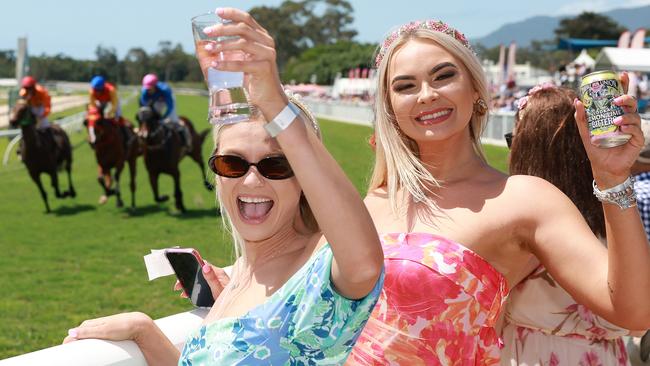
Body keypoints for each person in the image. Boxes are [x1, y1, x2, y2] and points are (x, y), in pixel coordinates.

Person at [63, 8, 384, 365]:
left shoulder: (322, 267)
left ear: (305, 178)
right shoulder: (235, 279)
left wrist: (277, 106)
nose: (250, 180)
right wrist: (144, 330)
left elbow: (365, 263)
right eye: (231, 163)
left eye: (275, 164)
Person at [344, 19, 650, 365]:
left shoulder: (523, 200)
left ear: (475, 88)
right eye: (405, 86)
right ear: (390, 106)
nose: (427, 95)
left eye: (444, 76)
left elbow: (635, 312)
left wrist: (613, 179)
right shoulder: (374, 201)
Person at [503, 83, 641, 365]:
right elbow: (638, 324)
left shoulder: (518, 222)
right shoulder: (614, 223)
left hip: (529, 353)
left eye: (514, 139)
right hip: (606, 355)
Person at [139, 73, 192, 151]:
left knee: (173, 120)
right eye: (147, 89)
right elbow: (144, 107)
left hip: (167, 100)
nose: (148, 90)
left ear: (155, 86)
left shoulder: (165, 90)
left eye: (150, 88)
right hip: (155, 101)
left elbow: (170, 107)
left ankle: (186, 141)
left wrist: (163, 117)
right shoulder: (144, 91)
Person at [86, 75, 131, 147]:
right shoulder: (92, 91)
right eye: (95, 90)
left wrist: (109, 113)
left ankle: (127, 137)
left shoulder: (111, 90)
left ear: (103, 88)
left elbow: (114, 105)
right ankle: (93, 136)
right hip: (100, 101)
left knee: (118, 117)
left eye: (99, 90)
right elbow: (92, 105)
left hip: (112, 101)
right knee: (93, 118)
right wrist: (96, 113)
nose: (97, 92)